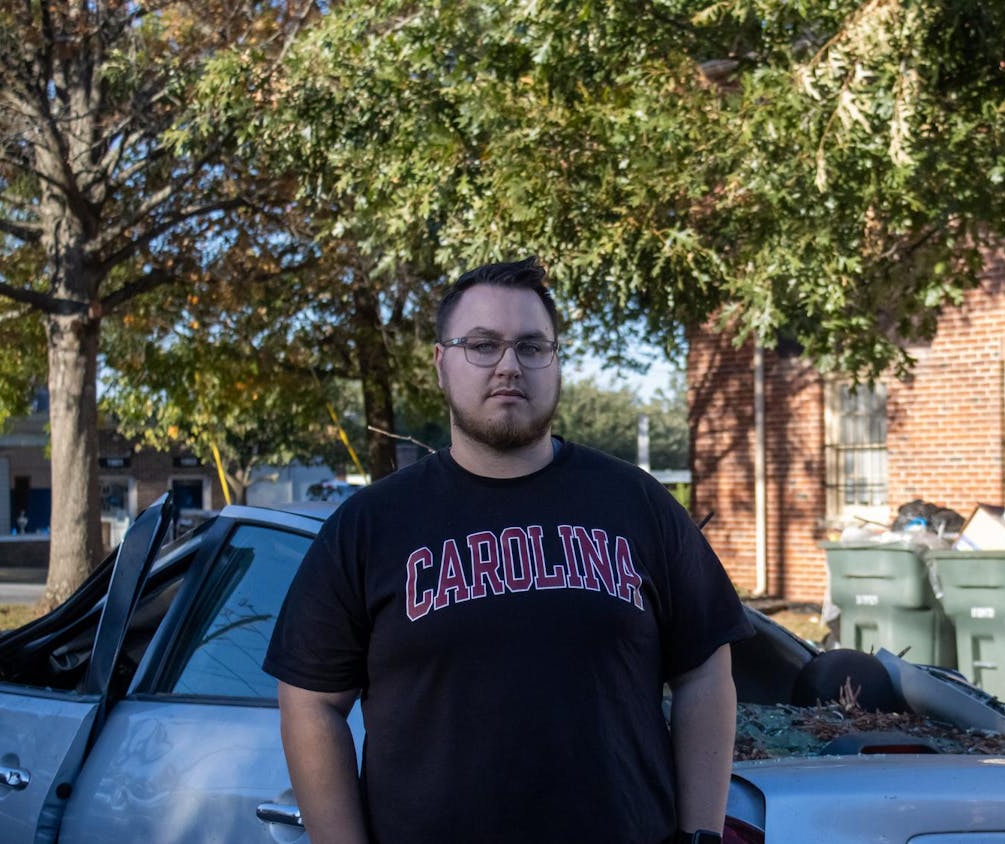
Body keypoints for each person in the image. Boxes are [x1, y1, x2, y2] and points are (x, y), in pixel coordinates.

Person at [264, 256, 752, 844]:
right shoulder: (368, 526)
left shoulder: (637, 504)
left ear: (555, 362)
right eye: (482, 345)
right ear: (441, 364)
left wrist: (699, 836)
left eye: (531, 346)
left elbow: (704, 669)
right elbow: (311, 702)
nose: (508, 366)